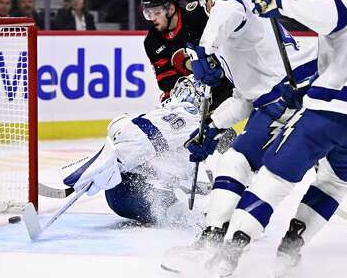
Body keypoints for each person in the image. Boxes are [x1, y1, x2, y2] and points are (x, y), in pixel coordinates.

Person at [204, 0, 347, 276]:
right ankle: (291, 246)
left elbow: (330, 16)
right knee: (334, 184)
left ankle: (230, 251)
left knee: (274, 178)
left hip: (332, 110)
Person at [160, 0, 317, 274]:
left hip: (299, 91)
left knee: (272, 172)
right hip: (280, 98)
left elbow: (230, 4)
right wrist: (211, 128)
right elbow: (244, 99)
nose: (208, 7)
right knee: (235, 162)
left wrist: (204, 50)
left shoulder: (240, 5)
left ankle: (223, 240)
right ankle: (215, 235)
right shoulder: (237, 41)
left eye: (208, 1)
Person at [66, 76, 235, 224]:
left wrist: (114, 160)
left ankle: (206, 212)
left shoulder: (190, 115)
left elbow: (141, 134)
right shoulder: (191, 116)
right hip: (134, 192)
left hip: (127, 194)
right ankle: (209, 213)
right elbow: (144, 134)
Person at [142, 0, 233, 106]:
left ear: (171, 9)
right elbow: (165, 80)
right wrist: (190, 85)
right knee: (167, 103)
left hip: (224, 80)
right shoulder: (152, 41)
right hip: (193, 93)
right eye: (149, 13)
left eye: (157, 13)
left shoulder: (197, 16)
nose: (152, 18)